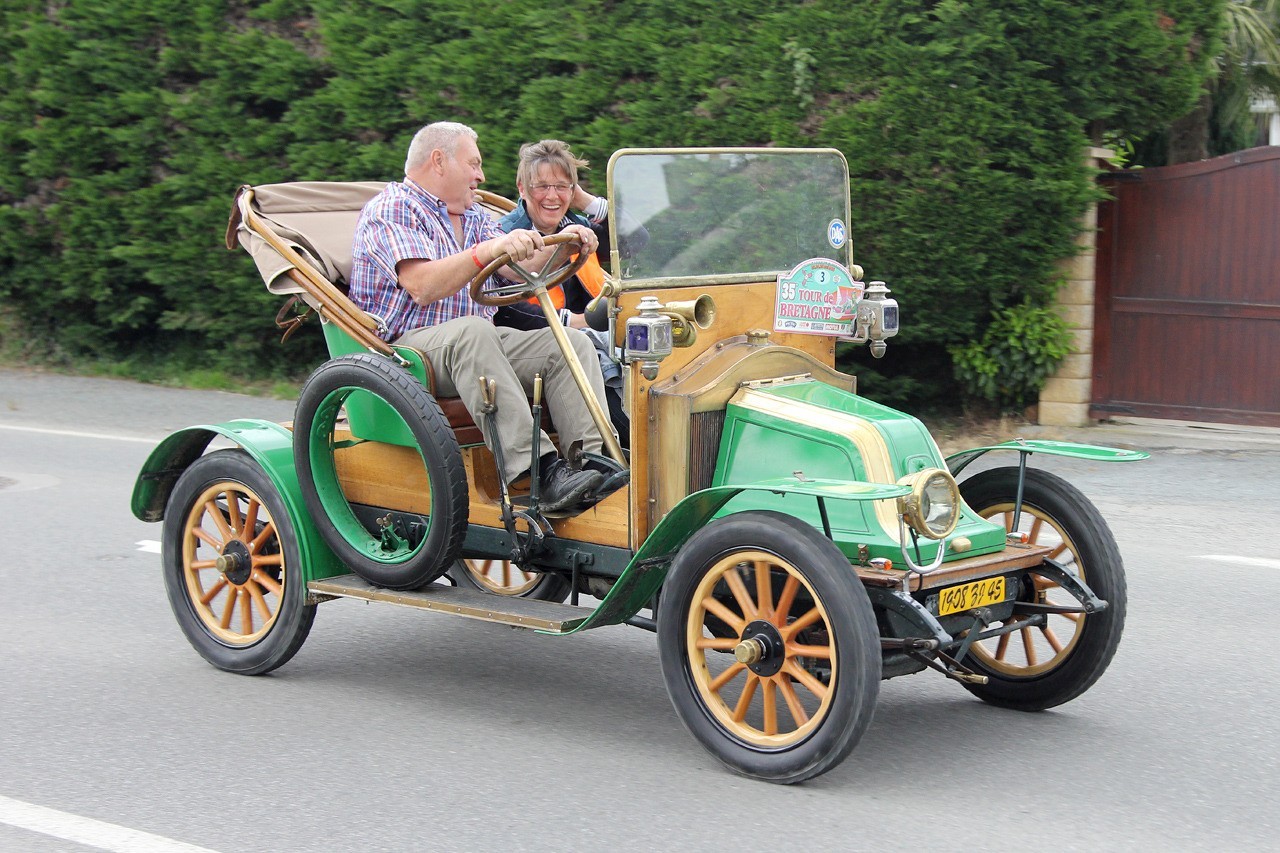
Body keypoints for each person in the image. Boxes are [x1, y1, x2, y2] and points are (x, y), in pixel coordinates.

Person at [349, 121, 614, 514]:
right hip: (406, 353)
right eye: (474, 164)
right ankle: (535, 470)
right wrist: (486, 251)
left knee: (568, 343)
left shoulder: (472, 215)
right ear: (439, 161)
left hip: (475, 346)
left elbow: (521, 271)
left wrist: (572, 245)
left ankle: (591, 465)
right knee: (473, 331)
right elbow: (422, 285)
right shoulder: (393, 207)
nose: (481, 175)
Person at [496, 139, 647, 446]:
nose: (552, 196)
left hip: (602, 336)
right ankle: (629, 456)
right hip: (550, 342)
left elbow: (638, 239)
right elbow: (505, 307)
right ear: (522, 189)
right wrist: (576, 322)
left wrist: (581, 199)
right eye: (541, 186)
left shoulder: (578, 226)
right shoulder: (503, 235)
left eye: (561, 187)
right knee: (593, 359)